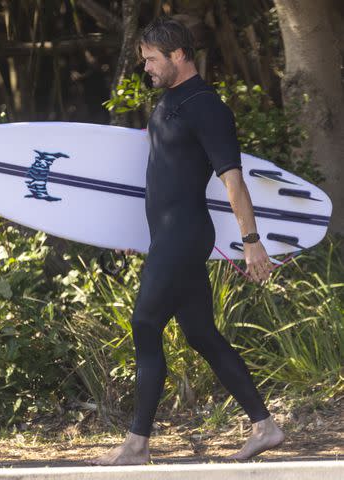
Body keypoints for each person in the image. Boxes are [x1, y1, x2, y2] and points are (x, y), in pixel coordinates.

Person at [86, 16, 285, 466]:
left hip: (187, 234)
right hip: (168, 236)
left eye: (152, 59)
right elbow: (161, 178)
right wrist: (133, 233)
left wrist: (251, 241)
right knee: (200, 333)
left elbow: (233, 181)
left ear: (178, 56)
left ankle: (136, 444)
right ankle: (265, 426)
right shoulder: (168, 102)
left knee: (145, 323)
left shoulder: (207, 107)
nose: (147, 68)